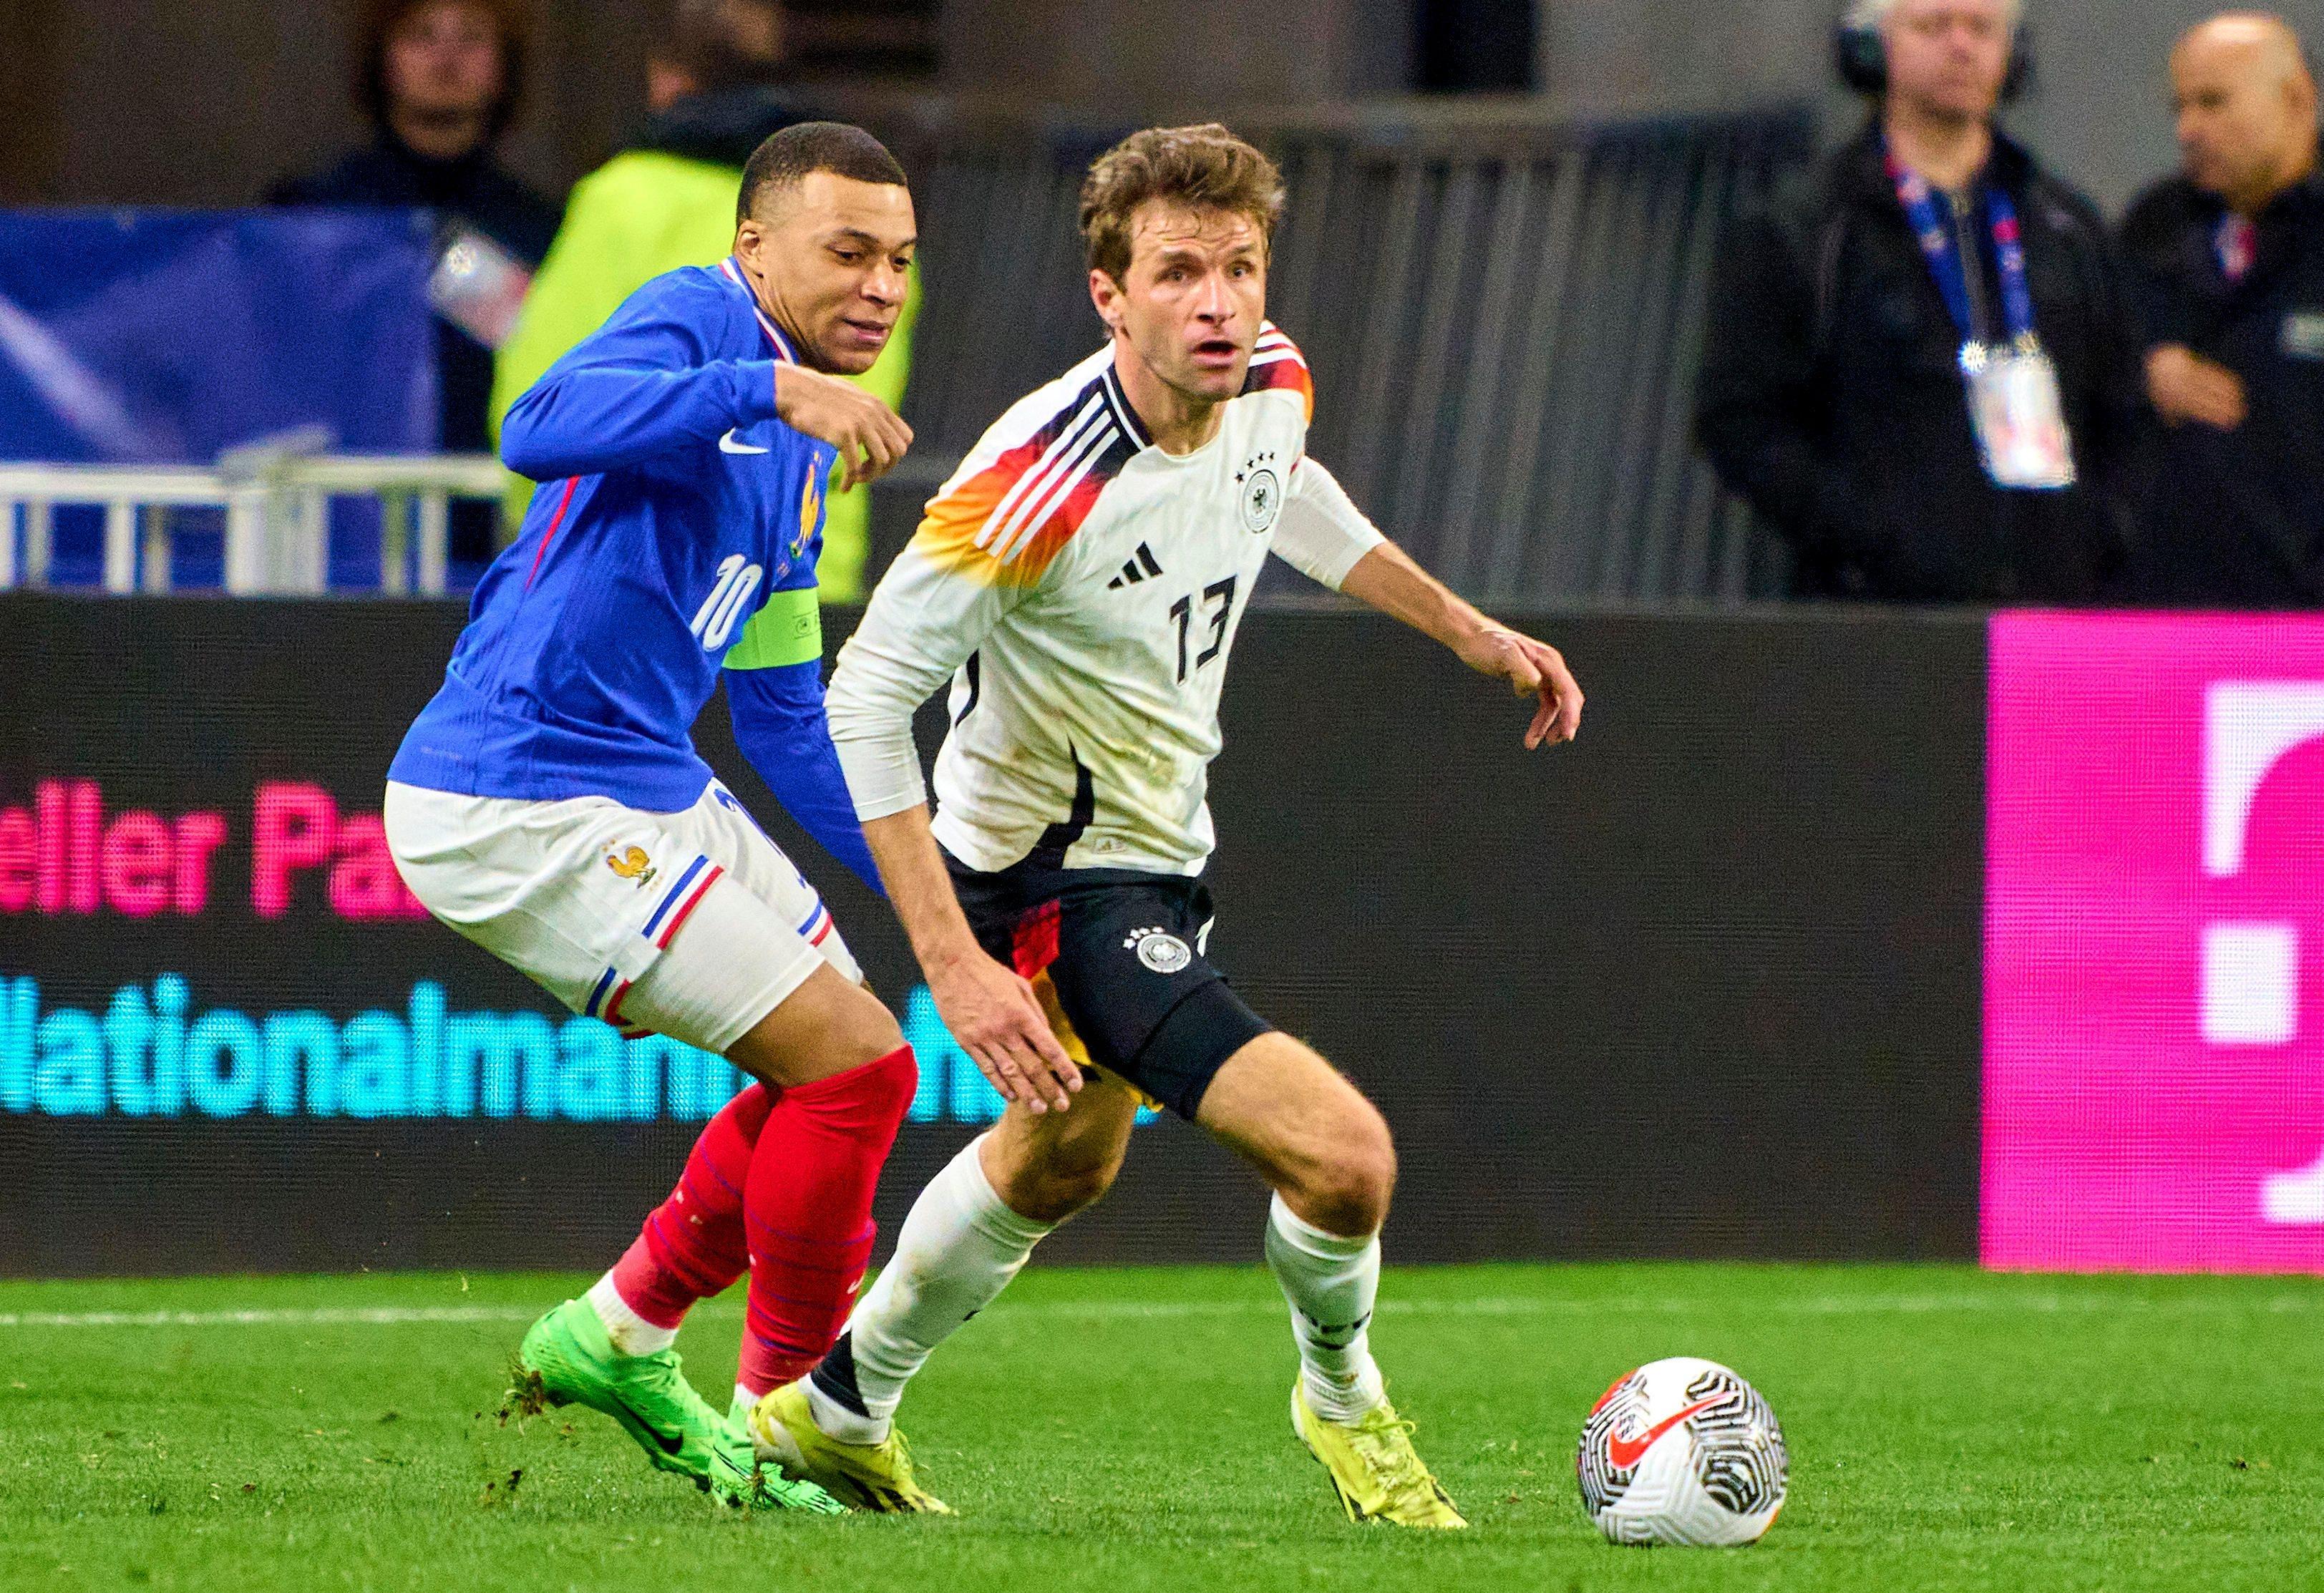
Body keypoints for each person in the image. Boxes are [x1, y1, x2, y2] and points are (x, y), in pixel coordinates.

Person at [743, 124, 1585, 1528]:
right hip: (1052, 886)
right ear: (1107, 295)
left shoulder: (1268, 379)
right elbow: (865, 699)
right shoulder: (1035, 478)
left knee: (1065, 1155)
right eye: (1178, 272)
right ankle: (1341, 1395)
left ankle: (833, 1411)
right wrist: (952, 959)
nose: (1217, 302)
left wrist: (1462, 626)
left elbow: (1284, 493)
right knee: (1344, 1158)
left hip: (1156, 851)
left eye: (1239, 268)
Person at [381, 122, 923, 1511]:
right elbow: (533, 426)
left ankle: (619, 1335)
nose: (879, 287)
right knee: (856, 1069)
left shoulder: (801, 456)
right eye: (847, 252)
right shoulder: (702, 319)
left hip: (648, 776)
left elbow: (785, 718)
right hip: (516, 792)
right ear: (756, 248)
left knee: (844, 1076)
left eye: (901, 261)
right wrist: (767, 385)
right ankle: (779, 1427)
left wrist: (940, 877)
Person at [1696, 0, 2143, 602]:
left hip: (2052, 614)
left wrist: (2093, 535)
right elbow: (1739, 420)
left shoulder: (2066, 225)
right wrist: (1868, 539)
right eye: (1933, 25)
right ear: (1870, 47)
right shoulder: (1803, 225)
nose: (1961, 46)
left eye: (1982, 28)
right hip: (1873, 619)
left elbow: (2124, 409)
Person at [491, 0, 915, 600]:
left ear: (667, 80)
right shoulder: (873, 234)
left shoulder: (623, 198)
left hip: (625, 595)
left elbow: (536, 401)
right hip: (798, 594)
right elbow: (859, 431)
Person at [270, 0, 563, 568]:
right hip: (332, 515)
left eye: (472, 38)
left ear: (505, 65)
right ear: (382, 58)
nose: (446, 57)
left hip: (490, 519)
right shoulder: (313, 213)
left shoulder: (543, 228)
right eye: (422, 35)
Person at [2119, 12, 2324, 606]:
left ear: (2295, 101)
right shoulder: (2152, 229)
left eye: (2213, 104)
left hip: (2302, 631)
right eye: (2179, 108)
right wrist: (2144, 370)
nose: (2188, 129)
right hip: (2162, 616)